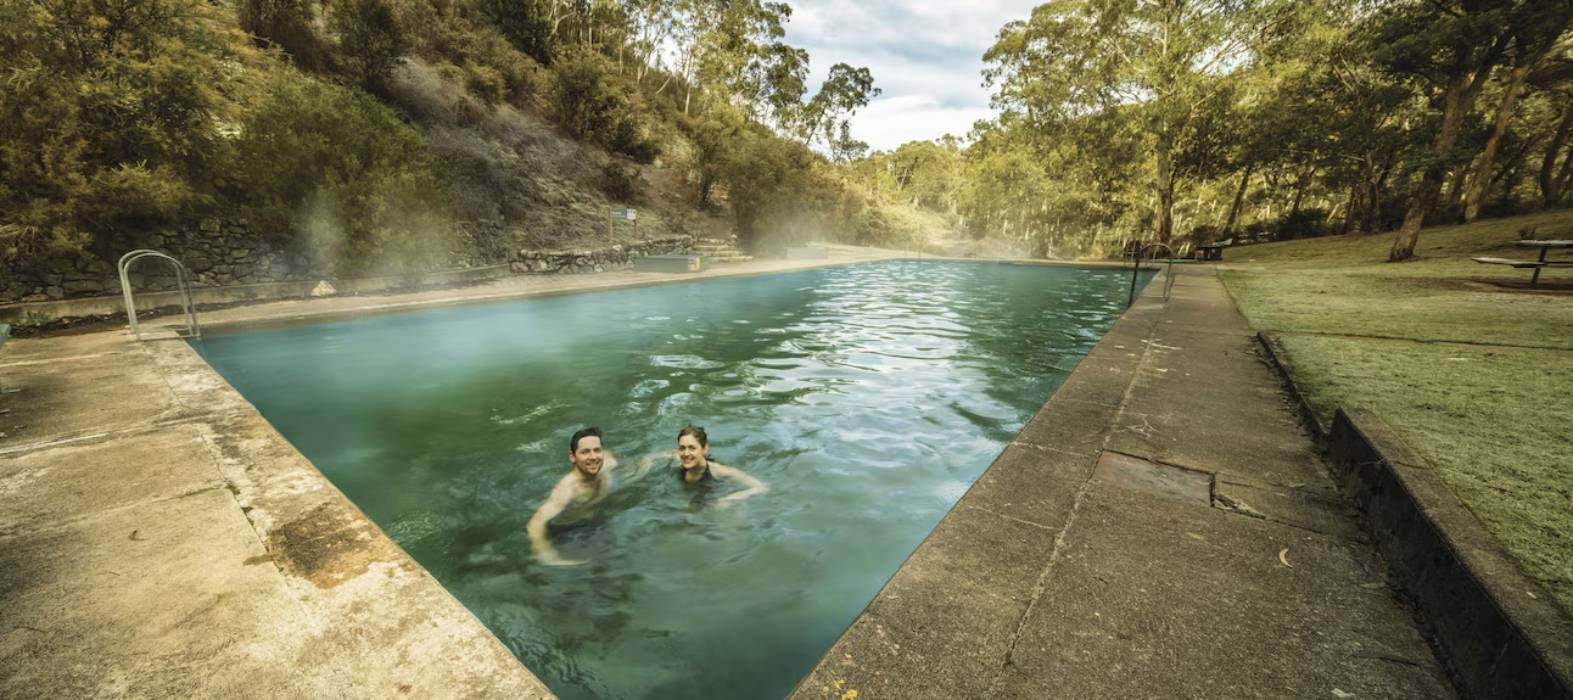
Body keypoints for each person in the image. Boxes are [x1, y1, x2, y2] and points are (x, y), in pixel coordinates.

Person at [526, 426, 621, 566]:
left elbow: (632, 468)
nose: (593, 457)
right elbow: (535, 524)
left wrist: (656, 457)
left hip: (597, 520)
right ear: (573, 457)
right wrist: (547, 556)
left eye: (597, 450)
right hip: (570, 531)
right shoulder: (568, 489)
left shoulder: (608, 464)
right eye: (585, 452)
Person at [667, 425, 767, 506]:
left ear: (705, 449)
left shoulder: (721, 472)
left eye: (692, 448)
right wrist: (650, 460)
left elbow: (761, 487)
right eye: (682, 448)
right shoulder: (681, 459)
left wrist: (728, 499)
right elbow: (664, 454)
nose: (686, 453)